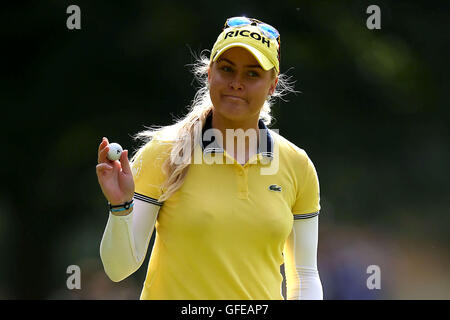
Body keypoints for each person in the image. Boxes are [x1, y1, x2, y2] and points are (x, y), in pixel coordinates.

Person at [96, 16, 323, 300]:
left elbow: (304, 276)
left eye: (252, 74)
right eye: (227, 69)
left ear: (272, 85)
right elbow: (119, 269)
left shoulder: (297, 165)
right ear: (209, 73)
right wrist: (120, 207)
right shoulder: (165, 151)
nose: (236, 83)